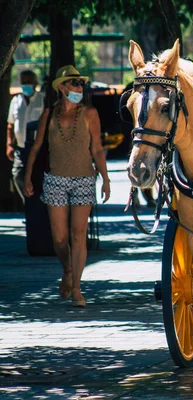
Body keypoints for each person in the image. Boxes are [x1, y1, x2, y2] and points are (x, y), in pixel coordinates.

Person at [24, 65, 111, 307]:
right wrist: (27, 176)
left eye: (81, 84)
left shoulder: (90, 114)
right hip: (55, 180)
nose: (79, 88)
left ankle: (77, 288)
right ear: (62, 87)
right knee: (60, 239)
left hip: (83, 178)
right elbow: (36, 147)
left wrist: (106, 178)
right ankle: (67, 268)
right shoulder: (49, 115)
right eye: (74, 83)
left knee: (78, 234)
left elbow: (96, 149)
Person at [6, 70, 45, 203]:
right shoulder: (16, 101)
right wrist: (9, 144)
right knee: (18, 175)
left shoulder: (42, 99)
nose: (26, 85)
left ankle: (37, 206)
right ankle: (28, 203)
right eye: (24, 82)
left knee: (37, 177)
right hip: (21, 148)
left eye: (29, 82)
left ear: (35, 83)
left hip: (38, 148)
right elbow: (10, 125)